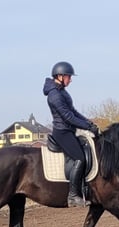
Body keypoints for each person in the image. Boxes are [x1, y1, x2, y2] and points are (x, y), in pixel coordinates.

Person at [43, 61, 100, 207]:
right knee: (80, 158)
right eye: (69, 76)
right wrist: (87, 126)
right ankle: (73, 196)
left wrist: (89, 123)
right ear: (60, 76)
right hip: (62, 132)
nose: (71, 79)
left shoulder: (61, 91)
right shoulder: (54, 95)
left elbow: (73, 112)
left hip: (68, 130)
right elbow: (68, 117)